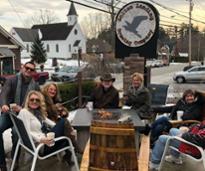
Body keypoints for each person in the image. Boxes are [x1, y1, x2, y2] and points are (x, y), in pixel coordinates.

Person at [0, 61, 40, 171]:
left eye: (31, 69)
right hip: (9, 114)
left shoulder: (35, 86)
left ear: (33, 72)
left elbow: (39, 103)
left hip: (24, 116)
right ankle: (2, 163)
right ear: (22, 67)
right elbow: (4, 93)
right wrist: (3, 104)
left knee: (16, 133)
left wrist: (22, 109)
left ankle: (15, 159)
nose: (28, 70)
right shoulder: (12, 80)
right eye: (27, 68)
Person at [18, 90, 76, 165]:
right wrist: (41, 139)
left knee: (65, 128)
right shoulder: (24, 112)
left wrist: (65, 128)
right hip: (41, 146)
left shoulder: (37, 112)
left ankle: (69, 152)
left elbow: (49, 122)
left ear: (40, 102)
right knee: (64, 121)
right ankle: (75, 148)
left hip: (46, 140)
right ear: (28, 101)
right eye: (32, 99)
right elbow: (26, 131)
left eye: (37, 100)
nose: (34, 101)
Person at [41, 83, 81, 153]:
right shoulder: (43, 101)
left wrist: (63, 112)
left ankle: (68, 154)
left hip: (54, 125)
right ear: (46, 89)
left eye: (55, 90)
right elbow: (45, 117)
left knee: (69, 129)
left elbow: (64, 112)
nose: (53, 91)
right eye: (51, 89)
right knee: (67, 127)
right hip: (49, 130)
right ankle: (75, 148)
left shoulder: (54, 101)